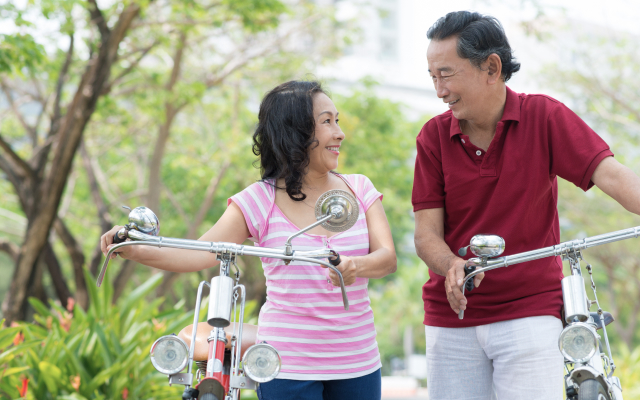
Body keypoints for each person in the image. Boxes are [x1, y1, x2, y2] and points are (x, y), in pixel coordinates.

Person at [101, 80, 397, 400]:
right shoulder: (259, 200)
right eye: (327, 122)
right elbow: (197, 255)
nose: (339, 133)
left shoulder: (358, 188)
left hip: (358, 362)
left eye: (336, 120)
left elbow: (387, 258)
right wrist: (133, 249)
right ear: (295, 132)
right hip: (285, 366)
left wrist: (356, 265)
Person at [412, 11, 640, 400]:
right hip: (452, 315)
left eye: (446, 74)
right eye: (432, 76)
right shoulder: (433, 137)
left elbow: (614, 177)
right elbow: (425, 234)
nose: (439, 90)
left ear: (491, 67)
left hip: (531, 311)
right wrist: (451, 265)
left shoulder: (544, 116)